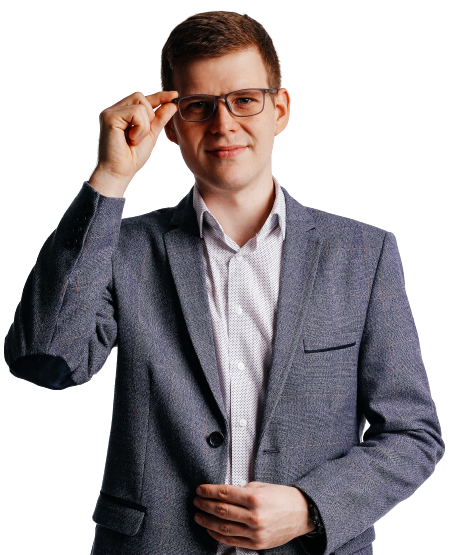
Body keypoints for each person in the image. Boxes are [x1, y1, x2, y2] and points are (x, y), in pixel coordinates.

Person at [4, 10, 444, 555]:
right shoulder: (121, 246)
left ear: (280, 110)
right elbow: (46, 359)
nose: (223, 124)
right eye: (199, 106)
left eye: (244, 100)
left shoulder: (364, 253)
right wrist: (111, 178)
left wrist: (310, 508)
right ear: (171, 125)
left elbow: (412, 434)